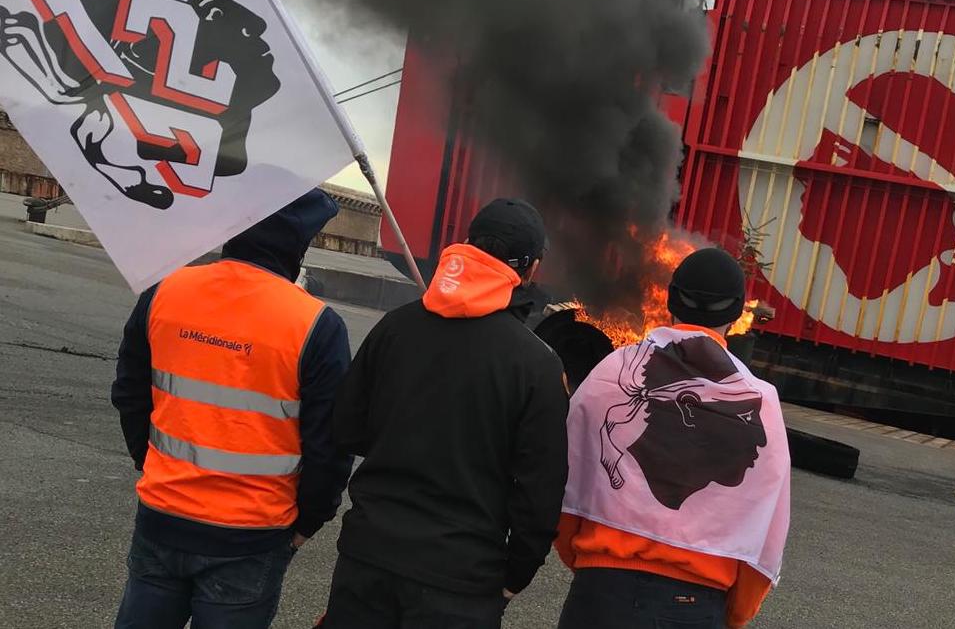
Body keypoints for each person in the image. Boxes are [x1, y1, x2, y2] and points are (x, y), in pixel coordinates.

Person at [320, 198, 569, 629]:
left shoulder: (395, 327)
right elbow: (540, 490)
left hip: (368, 556)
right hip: (462, 579)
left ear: (468, 245)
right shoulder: (537, 364)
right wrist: (516, 575)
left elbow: (345, 430)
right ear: (529, 269)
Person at [110, 189, 353, 628]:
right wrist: (309, 522)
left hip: (163, 514)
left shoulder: (165, 291)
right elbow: (329, 444)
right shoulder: (317, 325)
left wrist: (151, 464)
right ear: (298, 244)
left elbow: (130, 393)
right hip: (252, 534)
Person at [556, 247, 792, 629]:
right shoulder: (759, 400)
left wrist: (584, 560)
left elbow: (564, 474)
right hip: (695, 603)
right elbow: (767, 523)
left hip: (601, 590)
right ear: (736, 315)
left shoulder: (613, 371)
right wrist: (735, 612)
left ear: (669, 300)